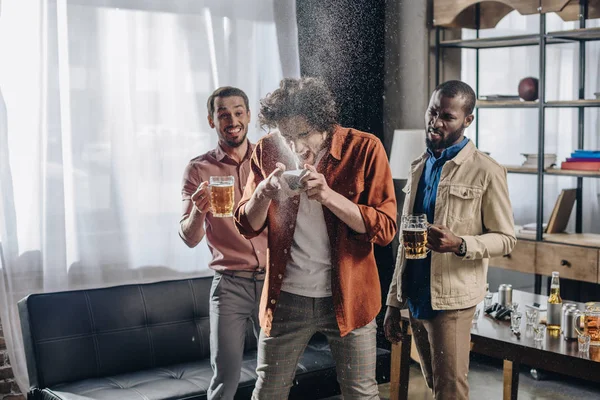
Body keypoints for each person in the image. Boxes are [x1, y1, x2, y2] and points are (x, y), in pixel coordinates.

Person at [234, 77, 397, 400]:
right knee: (268, 392)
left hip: (349, 296)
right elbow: (246, 224)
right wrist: (263, 194)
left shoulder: (364, 148)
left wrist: (328, 196)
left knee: (361, 393)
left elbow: (385, 228)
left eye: (303, 135)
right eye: (287, 135)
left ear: (325, 123)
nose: (295, 147)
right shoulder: (267, 149)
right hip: (286, 297)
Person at [384, 80, 516, 400]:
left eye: (447, 116)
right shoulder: (419, 166)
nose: (435, 122)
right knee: (435, 385)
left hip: (452, 303)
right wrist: (393, 302)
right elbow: (405, 241)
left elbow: (507, 239)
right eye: (432, 112)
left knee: (450, 392)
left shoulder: (487, 170)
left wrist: (460, 243)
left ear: (467, 120)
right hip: (415, 296)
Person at [179, 86, 268, 400]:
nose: (232, 120)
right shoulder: (199, 169)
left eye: (238, 112)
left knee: (274, 376)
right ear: (211, 120)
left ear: (248, 115)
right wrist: (199, 210)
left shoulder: (269, 159)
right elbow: (189, 238)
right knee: (225, 380)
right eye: (223, 114)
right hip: (230, 285)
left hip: (274, 283)